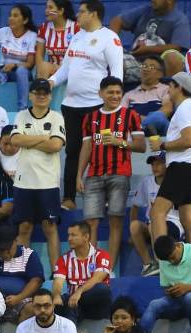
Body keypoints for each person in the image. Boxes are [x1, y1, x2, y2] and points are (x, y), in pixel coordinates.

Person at [50, 0, 122, 207]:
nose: (77, 16)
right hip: (71, 105)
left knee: (101, 149)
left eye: (81, 12)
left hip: (96, 105)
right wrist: (51, 81)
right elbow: (65, 67)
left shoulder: (110, 38)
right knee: (72, 150)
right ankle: (69, 198)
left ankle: (105, 197)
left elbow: (117, 73)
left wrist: (112, 105)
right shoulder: (76, 37)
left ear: (94, 14)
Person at [78, 77, 144, 266]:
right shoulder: (90, 118)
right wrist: (78, 176)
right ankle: (90, 267)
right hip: (94, 175)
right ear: (101, 93)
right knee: (91, 223)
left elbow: (141, 146)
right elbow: (86, 148)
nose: (115, 96)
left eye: (118, 92)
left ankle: (109, 268)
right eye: (110, 92)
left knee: (115, 221)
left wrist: (120, 142)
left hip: (120, 174)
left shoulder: (130, 115)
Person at [8, 80, 65, 268]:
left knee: (50, 227)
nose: (41, 96)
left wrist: (28, 140)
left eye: (45, 93)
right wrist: (42, 138)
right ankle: (21, 269)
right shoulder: (22, 116)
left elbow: (56, 145)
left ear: (50, 96)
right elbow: (15, 139)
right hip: (24, 182)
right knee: (24, 228)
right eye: (37, 92)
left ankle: (57, 272)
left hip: (47, 182)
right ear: (30, 95)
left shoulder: (56, 117)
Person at [150, 73, 191, 245]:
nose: (168, 89)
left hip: (181, 166)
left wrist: (163, 146)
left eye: (171, 85)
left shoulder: (185, 108)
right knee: (188, 217)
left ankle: (162, 260)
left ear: (179, 88)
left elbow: (188, 140)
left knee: (157, 212)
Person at [138, 237, 191, 333]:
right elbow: (165, 287)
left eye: (172, 257)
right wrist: (171, 291)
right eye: (168, 260)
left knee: (190, 297)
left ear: (177, 245)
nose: (171, 262)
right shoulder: (164, 260)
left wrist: (187, 288)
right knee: (154, 304)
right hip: (179, 301)